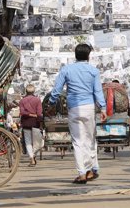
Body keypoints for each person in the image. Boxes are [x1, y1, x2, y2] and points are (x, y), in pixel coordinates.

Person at [47, 44, 106, 184]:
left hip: (74, 108)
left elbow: (56, 90)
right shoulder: (94, 71)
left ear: (75, 55)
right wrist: (103, 108)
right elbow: (98, 91)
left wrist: (51, 104)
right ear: (88, 56)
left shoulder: (66, 70)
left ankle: (82, 174)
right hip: (89, 107)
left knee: (78, 142)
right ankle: (93, 168)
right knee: (90, 139)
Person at [19, 84, 43, 166]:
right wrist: (38, 120)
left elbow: (22, 112)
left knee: (28, 142)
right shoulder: (37, 100)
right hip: (35, 123)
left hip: (26, 122)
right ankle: (33, 156)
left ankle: (32, 158)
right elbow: (39, 113)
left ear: (26, 91)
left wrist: (29, 114)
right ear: (34, 91)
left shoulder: (22, 101)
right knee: (38, 142)